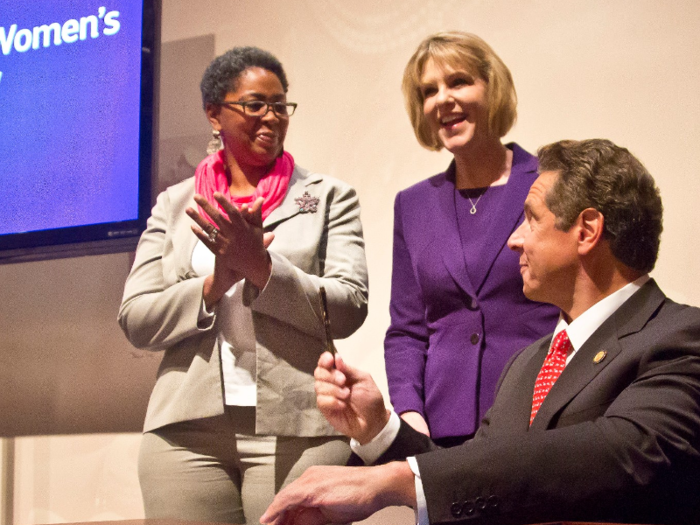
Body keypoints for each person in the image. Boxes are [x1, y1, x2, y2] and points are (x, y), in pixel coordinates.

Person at [260, 139, 700, 525]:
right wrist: (380, 430)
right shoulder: (529, 363)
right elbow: (468, 479)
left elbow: (621, 453)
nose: (514, 240)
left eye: (530, 219)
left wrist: (393, 480)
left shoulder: (680, 338)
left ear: (586, 230)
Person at [118, 46, 369, 525]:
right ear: (215, 112)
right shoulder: (174, 206)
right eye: (255, 105)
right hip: (185, 432)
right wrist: (216, 282)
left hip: (300, 426)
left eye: (280, 105)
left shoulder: (328, 197)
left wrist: (262, 269)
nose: (271, 117)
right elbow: (136, 318)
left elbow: (349, 306)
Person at [386, 31, 558, 444]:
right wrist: (409, 411)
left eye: (458, 82)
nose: (443, 99)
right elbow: (406, 330)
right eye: (429, 91)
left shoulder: (552, 184)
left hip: (539, 420)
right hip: (441, 431)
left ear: (492, 87)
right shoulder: (413, 205)